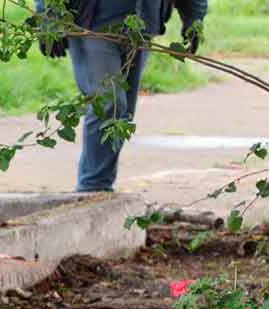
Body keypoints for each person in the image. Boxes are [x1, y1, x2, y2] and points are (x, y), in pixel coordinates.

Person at [37, 0, 208, 191]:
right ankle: (93, 187)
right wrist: (49, 17)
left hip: (141, 28)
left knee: (123, 114)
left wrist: (194, 19)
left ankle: (100, 186)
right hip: (92, 25)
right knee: (109, 103)